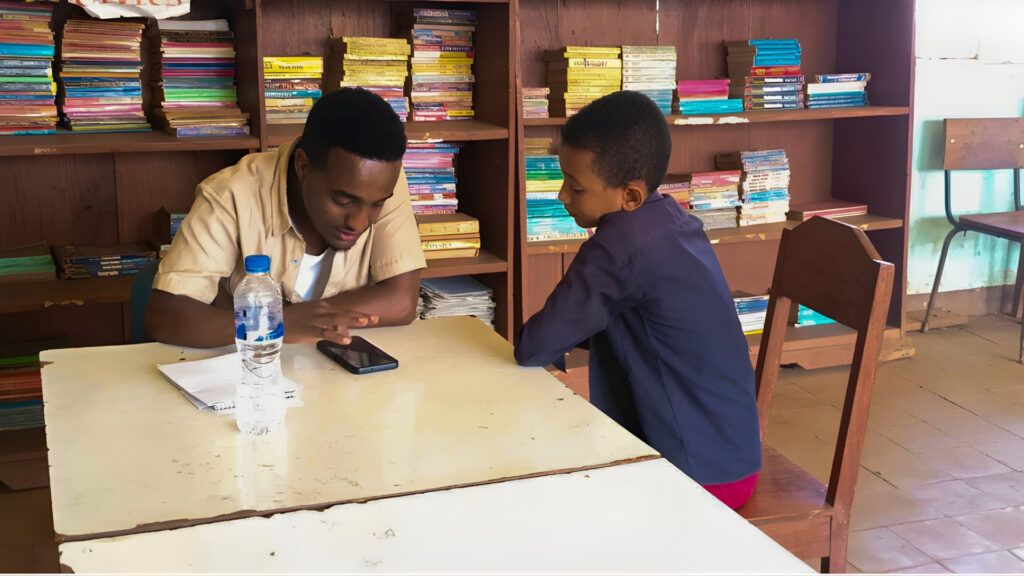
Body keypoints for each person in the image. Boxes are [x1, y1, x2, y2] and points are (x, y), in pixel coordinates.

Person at [514, 91, 761, 508]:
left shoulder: (616, 247)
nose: (562, 197)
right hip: (733, 458)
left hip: (696, 478)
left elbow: (533, 346)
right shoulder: (673, 219)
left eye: (575, 187)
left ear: (629, 196)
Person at [145, 88, 426, 348]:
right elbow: (166, 316)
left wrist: (301, 318)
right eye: (342, 200)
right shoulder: (229, 194)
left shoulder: (379, 181)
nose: (359, 222)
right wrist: (276, 323)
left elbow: (401, 301)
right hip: (252, 375)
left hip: (340, 377)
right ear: (303, 166)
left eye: (376, 205)